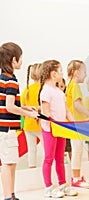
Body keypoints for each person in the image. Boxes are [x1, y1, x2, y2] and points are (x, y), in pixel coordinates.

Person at [0, 42, 38, 200]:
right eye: (21, 58)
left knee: (10, 163)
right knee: (8, 164)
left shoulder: (4, 78)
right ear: (13, 60)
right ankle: (9, 196)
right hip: (7, 129)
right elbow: (9, 107)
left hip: (5, 129)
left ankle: (11, 195)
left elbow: (9, 103)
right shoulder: (11, 80)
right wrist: (27, 114)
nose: (22, 61)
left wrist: (25, 107)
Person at [39, 60, 78, 198]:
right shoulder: (45, 91)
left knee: (60, 158)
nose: (62, 74)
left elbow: (67, 110)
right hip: (50, 130)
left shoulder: (59, 92)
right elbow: (46, 112)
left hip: (61, 129)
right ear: (53, 74)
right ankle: (49, 187)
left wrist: (73, 122)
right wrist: (54, 123)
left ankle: (63, 184)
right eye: (60, 71)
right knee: (49, 158)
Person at [65, 60, 89, 189]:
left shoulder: (70, 85)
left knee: (77, 151)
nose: (86, 74)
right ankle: (76, 178)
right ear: (77, 73)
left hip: (73, 124)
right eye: (84, 72)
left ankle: (76, 177)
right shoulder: (75, 86)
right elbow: (77, 105)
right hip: (75, 125)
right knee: (77, 151)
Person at [20, 63, 43, 168]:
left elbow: (21, 107)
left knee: (31, 148)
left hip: (28, 126)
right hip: (41, 125)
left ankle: (32, 166)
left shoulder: (27, 90)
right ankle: (48, 167)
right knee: (47, 148)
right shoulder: (43, 89)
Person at [56, 78, 72, 162]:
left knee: (69, 147)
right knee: (61, 149)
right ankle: (63, 162)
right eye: (57, 86)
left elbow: (69, 111)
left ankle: (72, 164)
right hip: (58, 127)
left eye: (61, 86)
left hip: (67, 126)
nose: (59, 89)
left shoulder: (66, 98)